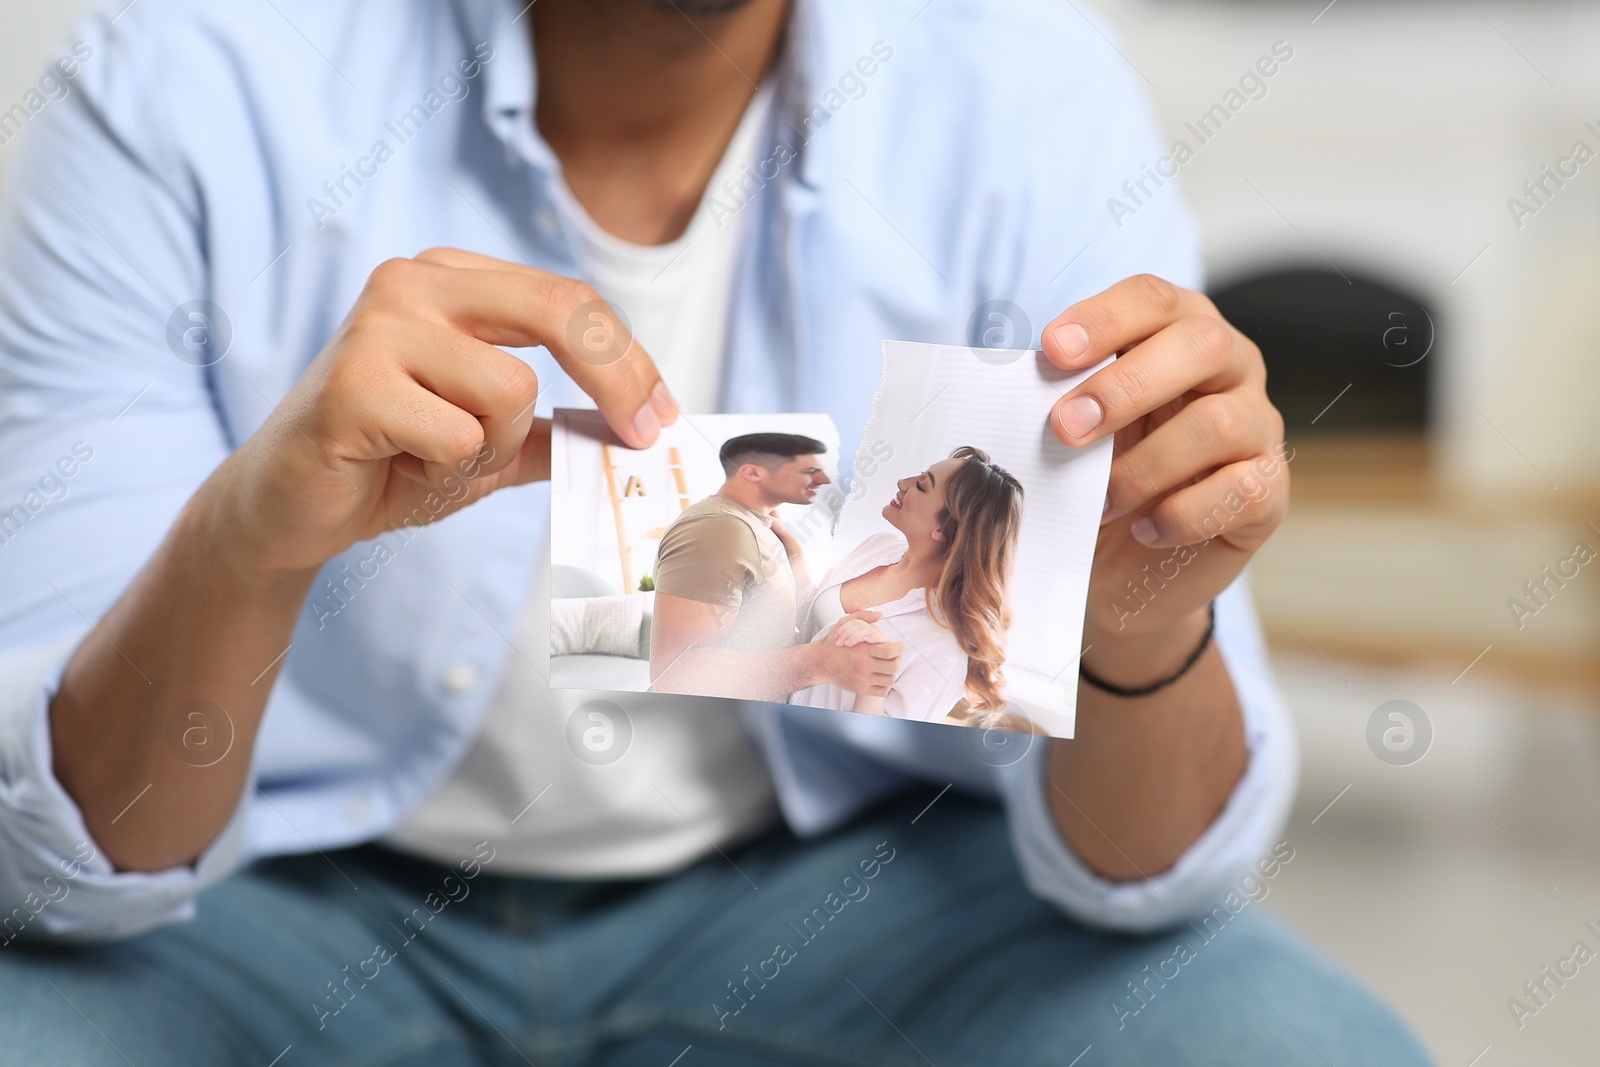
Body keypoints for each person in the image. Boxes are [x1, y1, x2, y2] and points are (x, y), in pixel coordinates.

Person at [0, 0, 1435, 1063]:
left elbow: (1156, 876)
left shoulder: (1024, 89)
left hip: (867, 893)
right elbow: (65, 860)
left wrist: (1137, 621)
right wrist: (246, 539)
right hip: (275, 896)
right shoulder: (180, 79)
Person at [649, 432, 899, 698]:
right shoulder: (719, 528)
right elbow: (673, 675)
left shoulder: (758, 526)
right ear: (753, 473)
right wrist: (817, 663)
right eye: (809, 471)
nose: (823, 480)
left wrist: (795, 561)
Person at [792, 446, 1023, 726]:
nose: (903, 483)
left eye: (922, 486)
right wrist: (794, 554)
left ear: (944, 529)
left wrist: (872, 688)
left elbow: (880, 750)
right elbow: (814, 620)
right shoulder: (880, 547)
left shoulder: (944, 651)